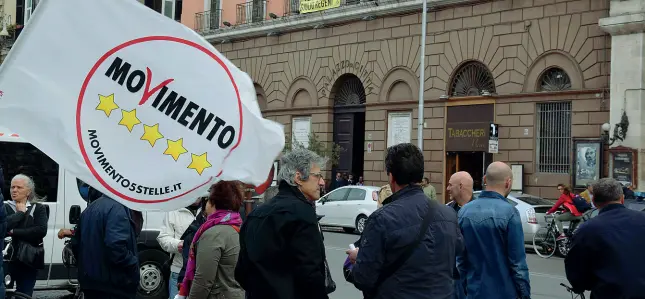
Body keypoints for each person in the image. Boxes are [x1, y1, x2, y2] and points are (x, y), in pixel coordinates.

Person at [346, 143, 462, 298]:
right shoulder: (449, 215)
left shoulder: (381, 219)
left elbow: (363, 278)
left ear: (391, 177)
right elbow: (458, 254)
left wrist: (358, 259)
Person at [235, 148, 329, 299]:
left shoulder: (255, 215)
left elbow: (241, 271)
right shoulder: (302, 212)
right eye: (317, 176)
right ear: (298, 177)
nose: (322, 182)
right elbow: (310, 273)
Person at [457, 162, 530, 299]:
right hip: (504, 293)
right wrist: (524, 295)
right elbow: (518, 265)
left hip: (473, 292)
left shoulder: (464, 211)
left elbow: (460, 262)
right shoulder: (510, 213)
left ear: (484, 180)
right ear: (508, 183)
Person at [565, 178, 645, 298]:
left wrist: (581, 285)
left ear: (594, 201)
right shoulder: (642, 220)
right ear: (622, 199)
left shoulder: (587, 229)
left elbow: (576, 271)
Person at [176, 181, 245, 299]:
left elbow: (203, 280)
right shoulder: (238, 227)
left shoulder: (213, 234)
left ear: (214, 203)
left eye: (207, 200)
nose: (206, 204)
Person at [71, 188, 139, 299]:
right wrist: (132, 264)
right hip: (113, 283)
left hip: (91, 282)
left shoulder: (90, 208)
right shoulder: (117, 208)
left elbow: (75, 244)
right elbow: (115, 246)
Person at [4, 174, 48, 296]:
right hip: (7, 260)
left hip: (28, 259)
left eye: (19, 187)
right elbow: (4, 226)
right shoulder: (4, 207)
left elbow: (40, 231)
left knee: (25, 294)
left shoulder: (38, 208)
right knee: (4, 293)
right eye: (12, 187)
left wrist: (13, 232)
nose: (14, 190)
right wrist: (20, 214)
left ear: (28, 191)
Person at [157, 195, 203, 299]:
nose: (197, 195)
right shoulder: (173, 210)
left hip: (202, 273)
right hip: (178, 272)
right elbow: (163, 238)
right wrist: (179, 245)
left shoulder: (209, 210)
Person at [445, 171, 473, 299]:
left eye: (450, 185)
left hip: (474, 277)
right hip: (452, 279)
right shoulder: (446, 211)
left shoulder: (480, 210)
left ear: (460, 186)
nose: (447, 188)